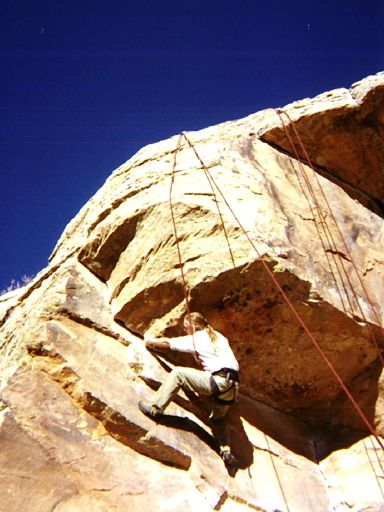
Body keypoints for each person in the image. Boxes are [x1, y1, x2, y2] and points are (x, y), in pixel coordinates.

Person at [138, 311, 239, 466]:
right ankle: (225, 449)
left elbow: (169, 344)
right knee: (218, 418)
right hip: (233, 387)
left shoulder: (197, 338)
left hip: (219, 381)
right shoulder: (219, 336)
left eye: (186, 328)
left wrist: (149, 342)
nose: (185, 331)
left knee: (178, 374)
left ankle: (155, 407)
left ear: (193, 327)